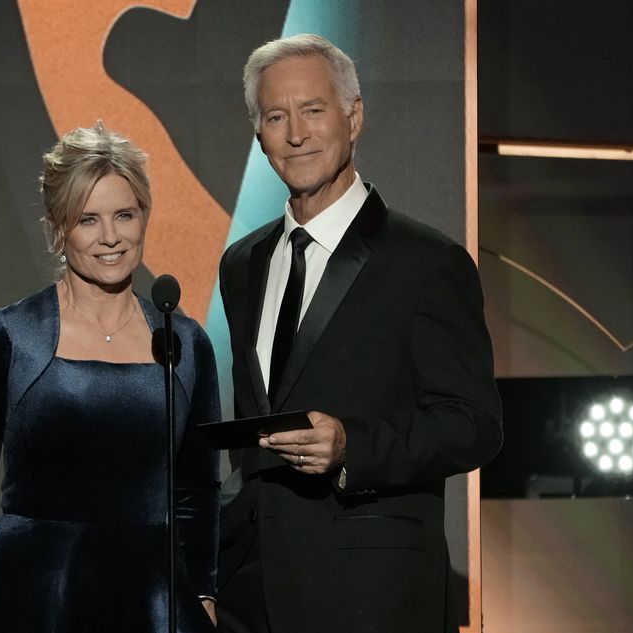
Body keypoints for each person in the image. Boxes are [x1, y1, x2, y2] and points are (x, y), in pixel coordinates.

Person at [215, 34, 503, 633]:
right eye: (276, 116)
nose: (296, 133)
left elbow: (473, 426)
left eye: (314, 110)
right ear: (258, 134)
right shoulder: (242, 263)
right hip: (253, 593)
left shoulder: (428, 262)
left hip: (373, 595)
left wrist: (353, 447)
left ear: (354, 117)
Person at [0, 121, 220, 632]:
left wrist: (203, 595)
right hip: (30, 596)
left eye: (124, 215)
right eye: (88, 219)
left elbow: (198, 492)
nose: (111, 237)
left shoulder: (185, 342)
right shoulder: (10, 335)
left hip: (149, 599)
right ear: (58, 227)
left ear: (144, 218)